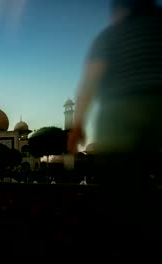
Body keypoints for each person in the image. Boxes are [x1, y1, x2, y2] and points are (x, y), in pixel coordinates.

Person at [67, 0, 162, 256]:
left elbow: (90, 80)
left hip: (119, 113)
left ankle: (116, 242)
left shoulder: (111, 36)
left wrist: (77, 126)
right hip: (157, 110)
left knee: (117, 185)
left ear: (120, 9)